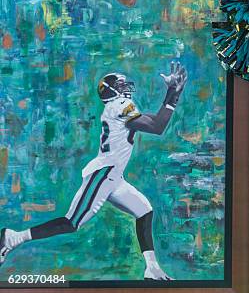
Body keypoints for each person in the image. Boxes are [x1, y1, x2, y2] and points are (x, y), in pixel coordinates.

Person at [0, 62, 188, 280]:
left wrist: (173, 93)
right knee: (72, 222)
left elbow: (154, 121)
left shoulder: (118, 106)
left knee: (144, 210)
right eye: (121, 84)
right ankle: (14, 238)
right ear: (113, 91)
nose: (126, 86)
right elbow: (157, 127)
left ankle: (152, 269)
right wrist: (173, 93)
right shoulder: (120, 105)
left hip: (114, 176)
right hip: (103, 174)